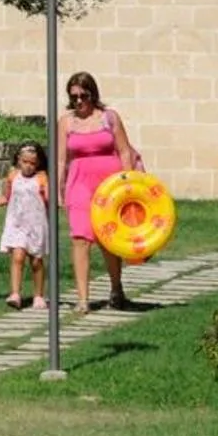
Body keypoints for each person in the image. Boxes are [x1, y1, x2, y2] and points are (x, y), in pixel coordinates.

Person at [58, 71, 141, 312]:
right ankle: (83, 299)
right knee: (80, 239)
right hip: (79, 184)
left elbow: (124, 151)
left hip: (110, 184)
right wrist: (59, 190)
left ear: (93, 94)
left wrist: (127, 183)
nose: (79, 101)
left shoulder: (109, 117)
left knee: (109, 238)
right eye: (74, 97)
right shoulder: (66, 122)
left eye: (84, 95)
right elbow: (61, 160)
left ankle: (116, 288)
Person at [0, 141, 50, 309]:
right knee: (17, 257)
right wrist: (0, 199)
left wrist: (52, 197)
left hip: (36, 225)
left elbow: (48, 199)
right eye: (25, 162)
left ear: (39, 163)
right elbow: (7, 195)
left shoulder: (42, 178)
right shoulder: (13, 176)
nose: (28, 166)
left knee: (36, 261)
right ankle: (15, 293)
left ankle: (38, 295)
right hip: (17, 223)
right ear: (19, 160)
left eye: (32, 163)